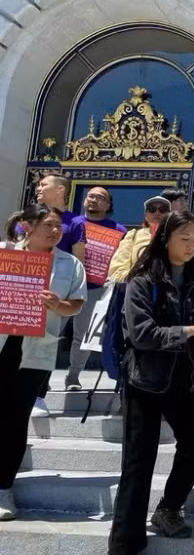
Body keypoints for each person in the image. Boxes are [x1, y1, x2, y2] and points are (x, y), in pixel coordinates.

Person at [107, 211, 194, 554]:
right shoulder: (142, 279)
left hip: (184, 380)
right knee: (138, 462)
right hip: (145, 381)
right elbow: (142, 334)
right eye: (184, 239)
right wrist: (190, 331)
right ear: (165, 238)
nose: (191, 246)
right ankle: (125, 542)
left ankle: (169, 508)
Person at [0, 204, 87, 521]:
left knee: (14, 418)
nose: (54, 231)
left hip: (36, 352)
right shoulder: (4, 253)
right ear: (27, 226)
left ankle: (3, 488)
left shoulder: (70, 264)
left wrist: (58, 304)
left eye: (58, 227)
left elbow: (76, 305)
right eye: (48, 225)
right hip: (2, 342)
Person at [61, 187, 126, 391]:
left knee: (84, 334)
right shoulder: (72, 224)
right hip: (65, 285)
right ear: (83, 200)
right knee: (51, 332)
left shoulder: (119, 230)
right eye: (90, 196)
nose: (94, 200)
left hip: (96, 287)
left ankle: (73, 376)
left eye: (100, 198)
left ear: (108, 205)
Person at [28, 173, 78, 417]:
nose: (38, 188)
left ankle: (39, 394)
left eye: (43, 184)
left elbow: (78, 256)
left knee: (48, 341)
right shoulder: (28, 216)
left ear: (60, 190)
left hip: (58, 289)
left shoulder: (76, 222)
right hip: (26, 286)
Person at [108, 196, 171, 282]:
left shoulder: (177, 237)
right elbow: (116, 270)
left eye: (163, 209)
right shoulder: (133, 236)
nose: (157, 212)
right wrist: (139, 281)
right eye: (152, 209)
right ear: (146, 215)